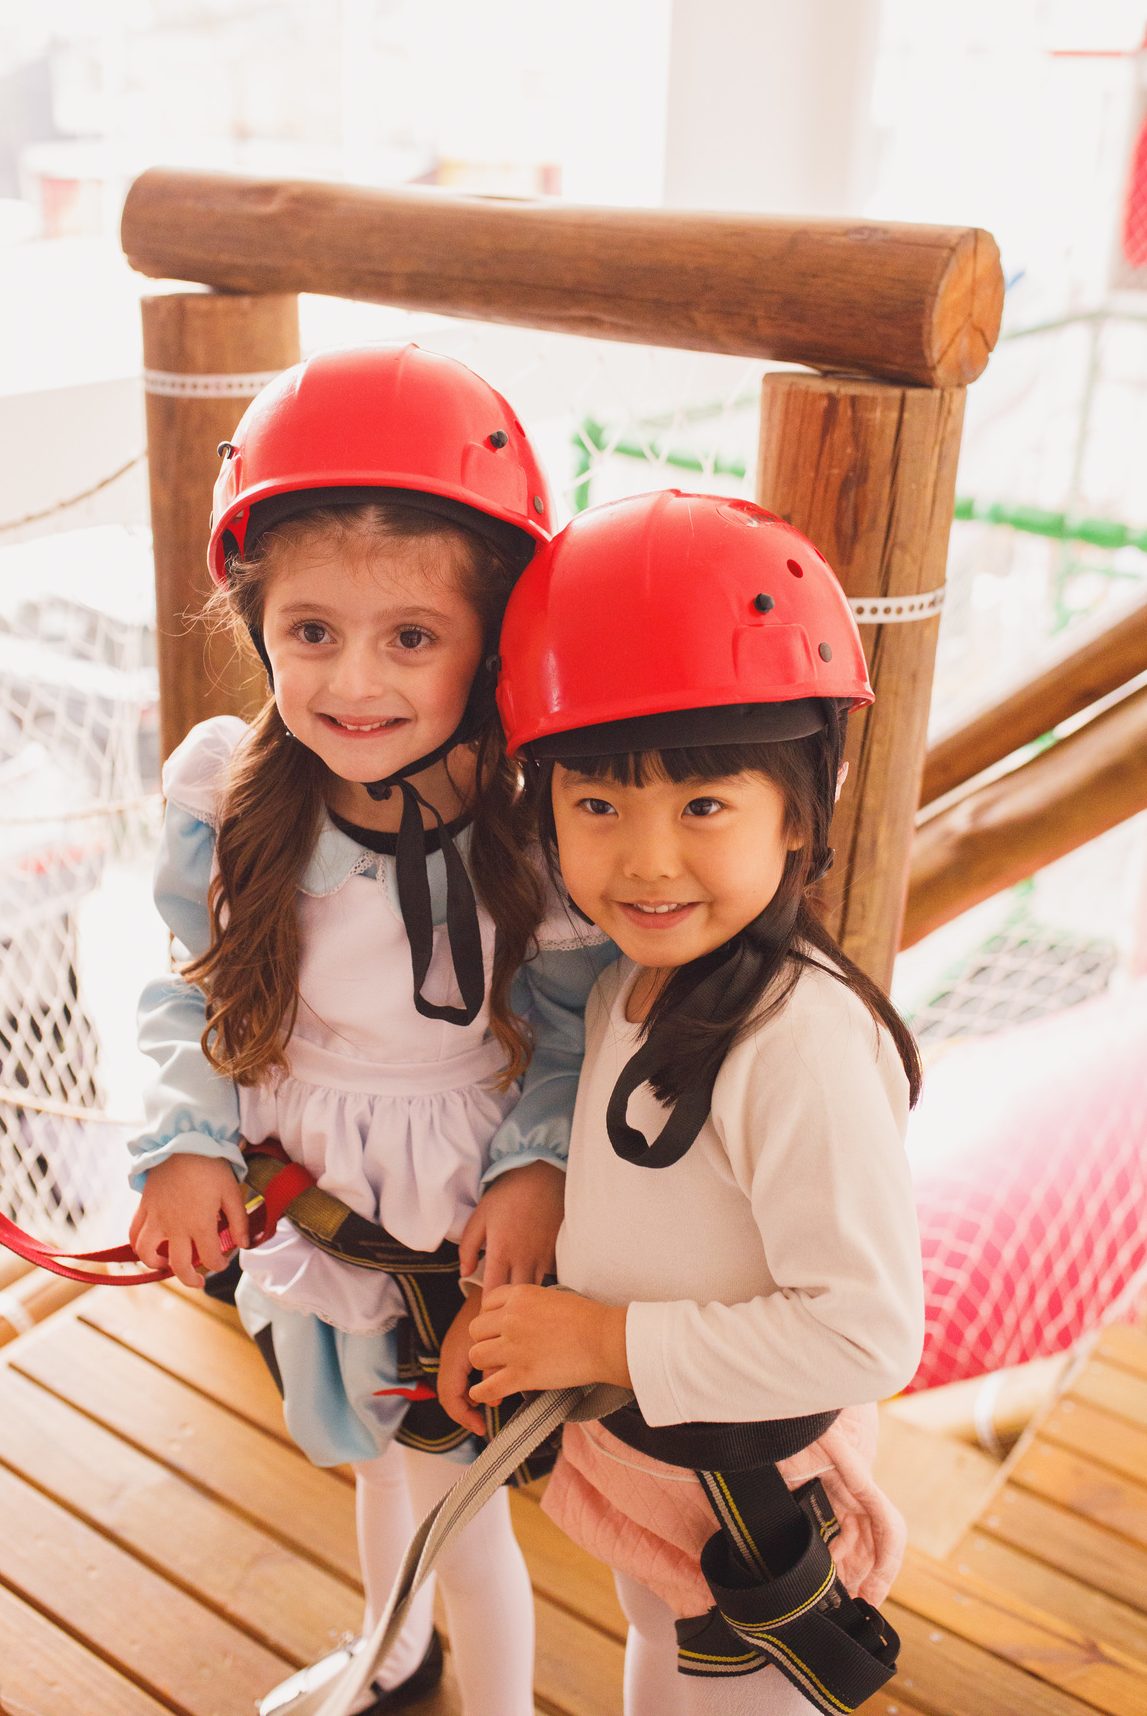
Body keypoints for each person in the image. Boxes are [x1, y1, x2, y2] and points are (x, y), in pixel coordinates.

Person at [128, 344, 615, 1716]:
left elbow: (572, 1028)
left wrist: (532, 1173)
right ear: (258, 621)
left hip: (463, 1215)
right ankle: (393, 1658)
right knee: (376, 1461)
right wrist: (186, 1142)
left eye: (412, 636)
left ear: (492, 635)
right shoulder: (232, 797)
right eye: (311, 632)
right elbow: (195, 988)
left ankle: (494, 1702)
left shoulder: (533, 818)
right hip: (318, 1202)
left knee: (462, 1497)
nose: (357, 679)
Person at [458, 489, 925, 1716]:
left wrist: (600, 1342)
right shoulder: (629, 981)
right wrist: (529, 1334)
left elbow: (866, 1334)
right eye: (598, 806)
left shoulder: (797, 1042)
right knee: (658, 1667)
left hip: (754, 1507)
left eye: (704, 805)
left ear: (799, 814)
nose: (648, 860)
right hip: (668, 1471)